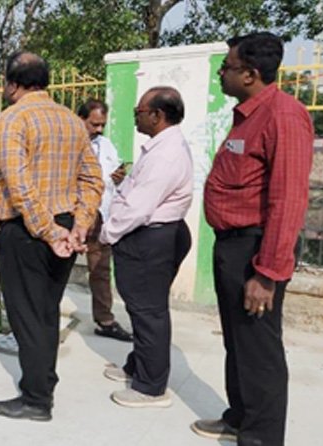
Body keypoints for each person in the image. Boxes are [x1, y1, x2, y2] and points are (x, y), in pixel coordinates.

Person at [192, 32, 313, 446]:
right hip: (233, 246)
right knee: (238, 341)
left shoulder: (283, 116)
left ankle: (261, 437)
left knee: (259, 349)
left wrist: (267, 273)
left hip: (256, 250)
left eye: (226, 67)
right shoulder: (248, 115)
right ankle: (240, 417)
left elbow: (288, 199)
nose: (220, 74)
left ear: (250, 73)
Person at [0, 52, 103, 421]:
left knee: (27, 315)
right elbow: (93, 179)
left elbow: (20, 186)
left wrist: (49, 232)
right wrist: (79, 224)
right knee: (46, 310)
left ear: (12, 84)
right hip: (63, 225)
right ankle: (44, 380)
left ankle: (36, 399)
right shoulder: (72, 120)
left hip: (28, 230)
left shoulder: (12, 118)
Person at [99, 87, 193, 408]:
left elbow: (138, 207)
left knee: (149, 311)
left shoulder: (166, 154)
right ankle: (139, 365)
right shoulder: (160, 146)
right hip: (152, 234)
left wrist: (107, 233)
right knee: (141, 308)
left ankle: (150, 387)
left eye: (138, 112)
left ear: (157, 115)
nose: (136, 118)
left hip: (150, 237)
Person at [77, 99, 132, 342]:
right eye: (94, 124)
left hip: (100, 215)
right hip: (74, 215)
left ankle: (105, 320)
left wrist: (120, 177)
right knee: (56, 268)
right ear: (81, 119)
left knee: (100, 270)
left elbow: (114, 178)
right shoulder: (68, 142)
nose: (99, 129)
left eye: (102, 125)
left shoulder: (105, 145)